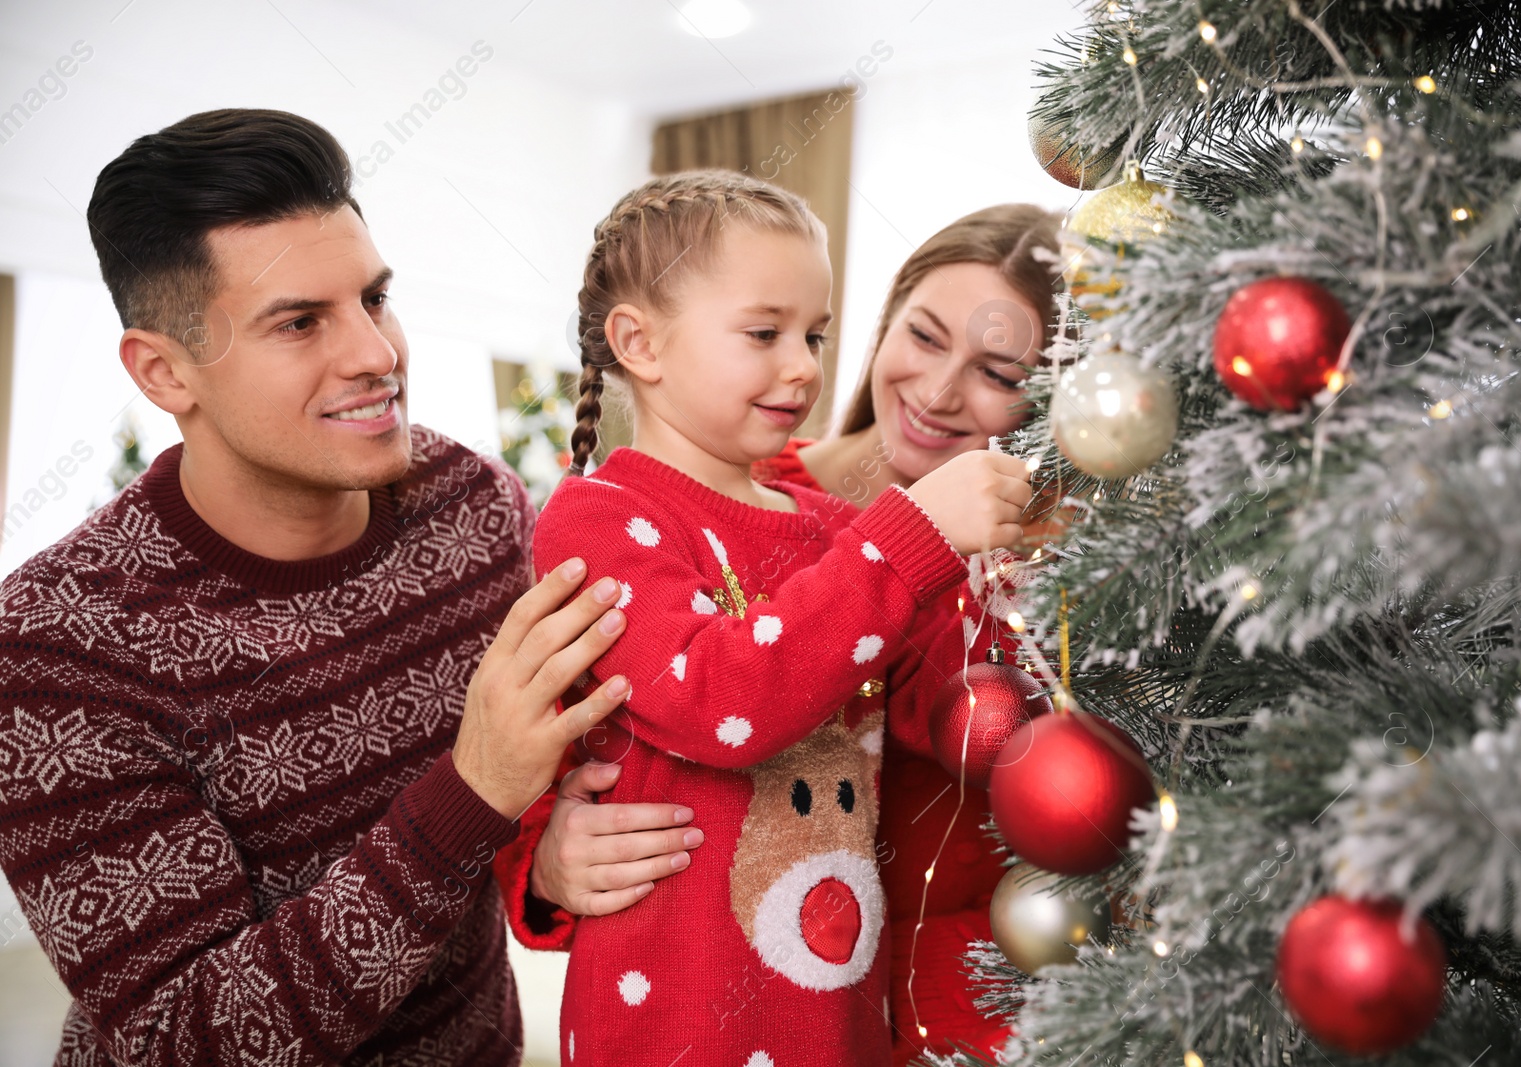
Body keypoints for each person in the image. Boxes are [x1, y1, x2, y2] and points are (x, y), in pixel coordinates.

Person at [0, 108, 635, 1066]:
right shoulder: (58, 644)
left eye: (374, 299)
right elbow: (183, 1041)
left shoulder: (475, 503)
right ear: (164, 372)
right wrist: (472, 792)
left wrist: (542, 853)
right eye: (300, 322)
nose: (377, 355)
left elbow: (533, 815)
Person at [498, 202, 1066, 1064]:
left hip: (843, 1005)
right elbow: (719, 699)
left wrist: (1025, 614)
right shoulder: (603, 518)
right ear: (640, 345)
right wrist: (911, 538)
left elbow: (944, 703)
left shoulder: (837, 528)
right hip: (671, 1013)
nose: (801, 369)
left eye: (814, 336)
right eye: (766, 333)